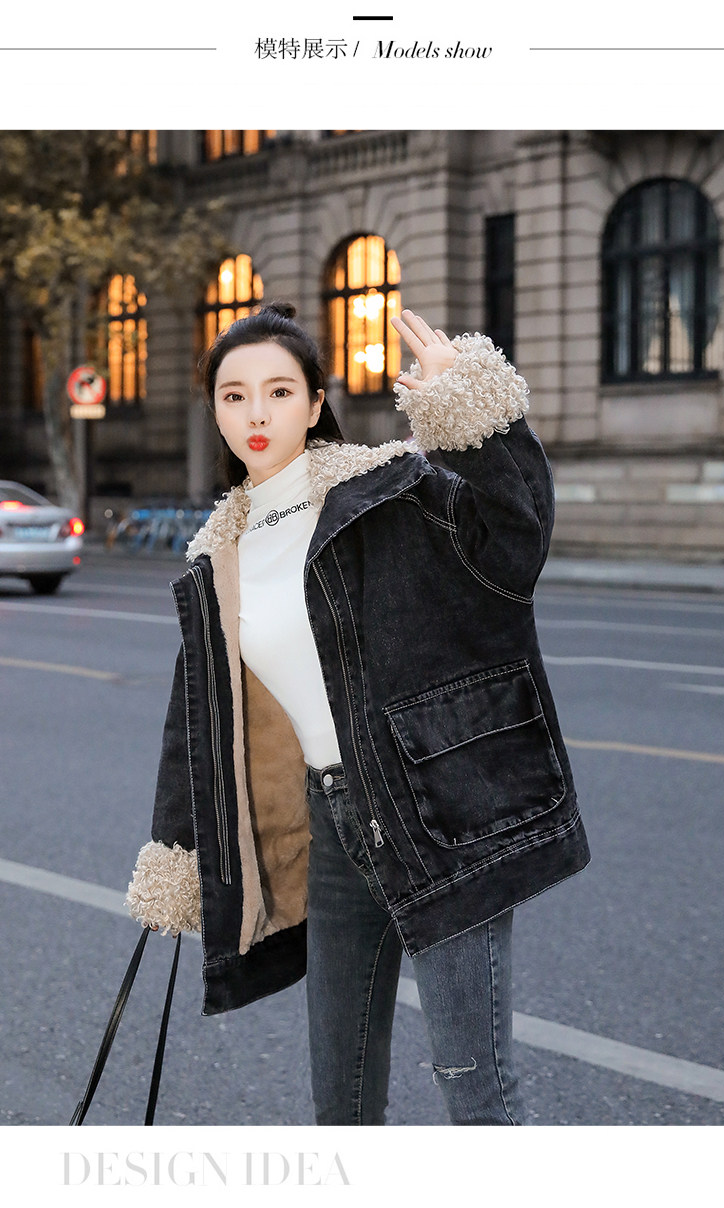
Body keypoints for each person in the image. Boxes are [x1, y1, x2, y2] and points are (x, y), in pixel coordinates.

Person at [126, 303, 590, 1126]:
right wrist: (179, 852)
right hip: (333, 824)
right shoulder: (218, 555)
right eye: (234, 396)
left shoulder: (389, 494)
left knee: (476, 1091)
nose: (257, 413)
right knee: (339, 1099)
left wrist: (472, 413)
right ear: (216, 413)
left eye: (279, 391)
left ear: (315, 403)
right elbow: (195, 721)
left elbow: (515, 544)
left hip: (437, 811)